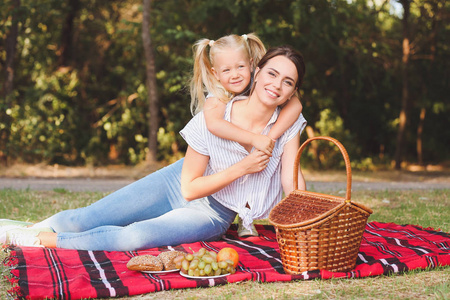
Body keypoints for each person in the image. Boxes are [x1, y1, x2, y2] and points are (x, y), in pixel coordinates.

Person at [0, 45, 307, 251]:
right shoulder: (217, 113)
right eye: (272, 74)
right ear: (256, 72)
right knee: (86, 218)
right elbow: (189, 188)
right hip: (179, 182)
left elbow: (290, 181)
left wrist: (306, 217)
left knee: (133, 236)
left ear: (293, 91)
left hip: (214, 214)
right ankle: (15, 231)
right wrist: (244, 166)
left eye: (288, 82)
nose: (277, 85)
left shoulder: (288, 123)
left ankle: (36, 239)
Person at [191, 33, 303, 237]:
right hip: (194, 174)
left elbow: (296, 105)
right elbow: (215, 125)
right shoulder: (219, 97)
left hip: (207, 188)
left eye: (287, 82)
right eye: (227, 70)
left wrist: (270, 137)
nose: (235, 75)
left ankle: (246, 217)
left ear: (251, 66)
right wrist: (256, 139)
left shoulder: (264, 90)